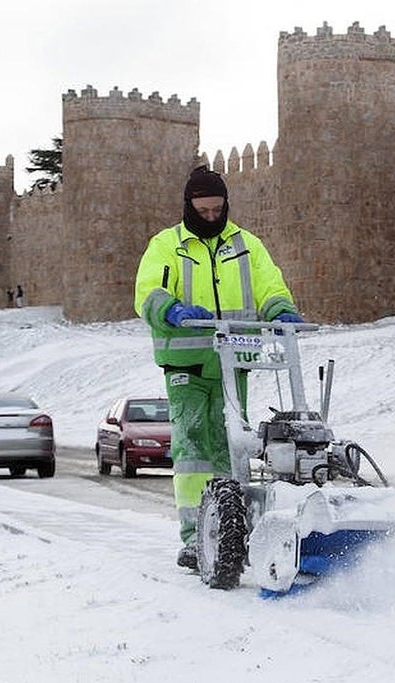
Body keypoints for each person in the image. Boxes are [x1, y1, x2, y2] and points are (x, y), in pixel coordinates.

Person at [134, 165, 303, 571]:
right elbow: (146, 292)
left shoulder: (246, 245)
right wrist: (170, 309)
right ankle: (196, 537)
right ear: (189, 207)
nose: (211, 217)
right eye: (203, 211)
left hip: (233, 360)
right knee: (193, 446)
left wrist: (281, 309)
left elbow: (269, 286)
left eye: (217, 210)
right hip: (185, 361)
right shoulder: (168, 245)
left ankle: (234, 531)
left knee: (231, 445)